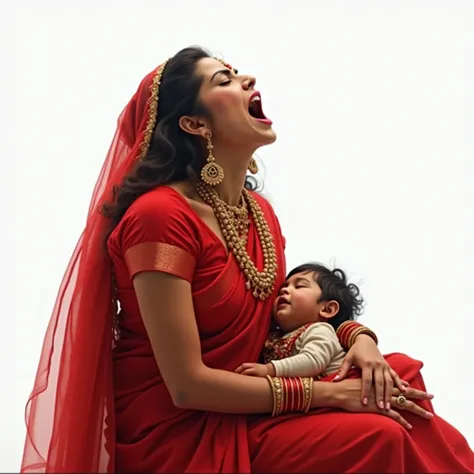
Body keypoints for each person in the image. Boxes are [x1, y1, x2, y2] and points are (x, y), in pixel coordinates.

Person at [21, 46, 474, 473]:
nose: (247, 78)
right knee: (377, 434)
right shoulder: (159, 217)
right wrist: (329, 395)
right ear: (195, 125)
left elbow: (284, 321)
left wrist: (360, 340)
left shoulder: (261, 217)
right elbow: (187, 385)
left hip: (251, 398)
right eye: (226, 79)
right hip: (181, 428)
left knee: (396, 376)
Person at [235, 262, 362, 379]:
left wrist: (270, 370)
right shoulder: (273, 336)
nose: (284, 290)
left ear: (327, 309)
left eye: (299, 286)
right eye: (281, 290)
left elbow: (312, 361)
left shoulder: (320, 330)